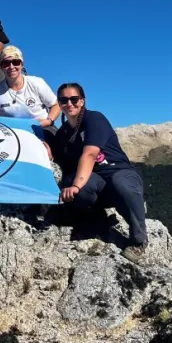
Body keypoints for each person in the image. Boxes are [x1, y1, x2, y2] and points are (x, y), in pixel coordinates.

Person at [49, 82, 148, 263]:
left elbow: (90, 154)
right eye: (63, 100)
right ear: (59, 103)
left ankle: (139, 240)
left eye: (74, 99)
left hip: (118, 172)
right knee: (78, 190)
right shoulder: (63, 133)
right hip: (96, 182)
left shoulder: (94, 119)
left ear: (82, 101)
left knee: (121, 184)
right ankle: (97, 220)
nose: (69, 103)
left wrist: (76, 185)